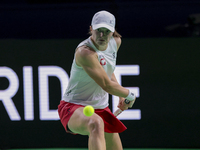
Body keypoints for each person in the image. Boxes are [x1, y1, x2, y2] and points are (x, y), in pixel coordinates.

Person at [58, 10, 136, 150]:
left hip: (101, 108)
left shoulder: (115, 43)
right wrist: (129, 94)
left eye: (106, 31)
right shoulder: (85, 52)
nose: (102, 35)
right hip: (73, 107)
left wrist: (120, 95)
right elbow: (106, 84)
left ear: (112, 32)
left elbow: (107, 71)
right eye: (98, 30)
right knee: (96, 123)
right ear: (91, 29)